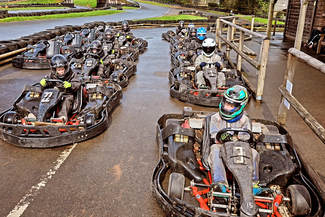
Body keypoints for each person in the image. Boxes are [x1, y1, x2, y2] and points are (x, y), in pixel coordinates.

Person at [208, 85, 260, 191]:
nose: (227, 107)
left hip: (239, 150)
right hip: (221, 147)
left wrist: (236, 138)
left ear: (240, 106)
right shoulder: (215, 118)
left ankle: (253, 184)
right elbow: (214, 136)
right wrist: (223, 138)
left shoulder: (245, 120)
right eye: (227, 103)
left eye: (231, 105)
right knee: (215, 150)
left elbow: (247, 137)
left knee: (254, 153)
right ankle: (220, 183)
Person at [39, 54, 81, 122]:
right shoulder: (51, 76)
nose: (61, 72)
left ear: (65, 68)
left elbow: (77, 84)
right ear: (54, 69)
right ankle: (39, 116)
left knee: (66, 101)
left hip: (67, 94)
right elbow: (45, 86)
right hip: (54, 95)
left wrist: (70, 85)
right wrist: (44, 83)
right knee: (44, 99)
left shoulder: (72, 75)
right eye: (58, 69)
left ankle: (61, 118)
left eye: (62, 69)